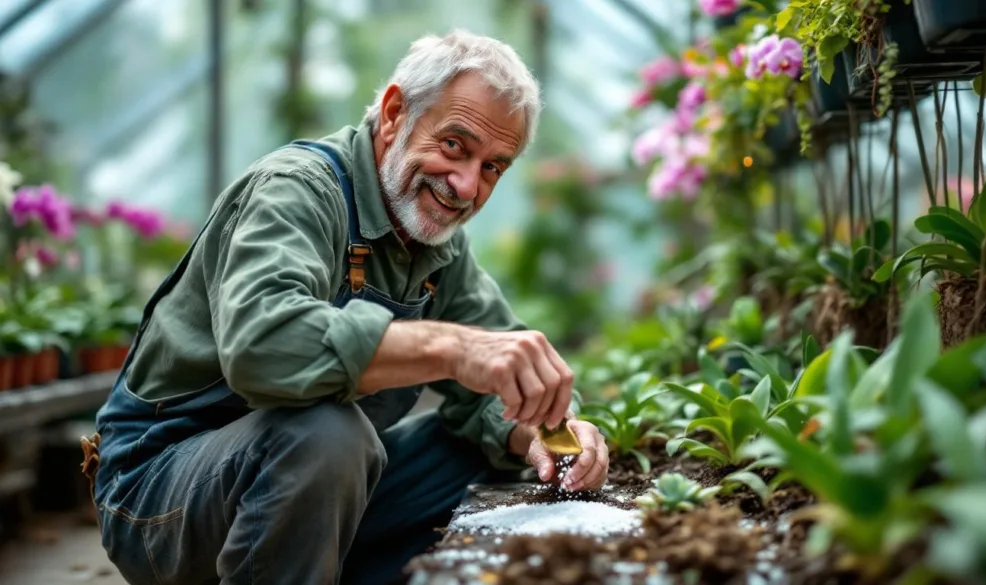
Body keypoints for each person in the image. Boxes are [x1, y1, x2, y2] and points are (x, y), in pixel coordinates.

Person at [79, 29, 610, 585]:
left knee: (483, 450)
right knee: (327, 435)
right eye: (455, 145)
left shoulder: (436, 246)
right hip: (158, 493)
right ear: (394, 113)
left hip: (301, 487)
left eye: (493, 167)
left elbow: (501, 381)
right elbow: (263, 346)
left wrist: (552, 434)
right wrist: (452, 347)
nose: (466, 185)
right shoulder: (296, 191)